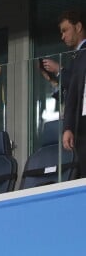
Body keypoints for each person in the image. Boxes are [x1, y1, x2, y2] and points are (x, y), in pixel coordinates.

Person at [59, 10, 86, 177]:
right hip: (82, 124)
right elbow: (73, 95)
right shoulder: (78, 56)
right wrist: (68, 127)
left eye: (65, 30)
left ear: (78, 27)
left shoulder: (82, 54)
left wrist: (59, 72)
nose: (62, 36)